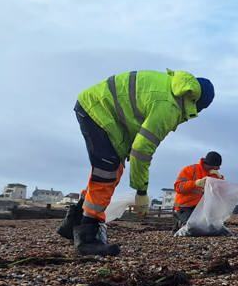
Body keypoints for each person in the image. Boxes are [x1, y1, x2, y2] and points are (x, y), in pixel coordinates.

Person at [56, 70, 215, 256]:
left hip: (105, 113)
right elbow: (141, 151)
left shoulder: (173, 87)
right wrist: (141, 192)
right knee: (106, 170)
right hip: (97, 109)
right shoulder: (169, 106)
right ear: (195, 102)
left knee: (111, 169)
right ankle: (87, 237)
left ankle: (73, 222)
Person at [173, 151, 224, 230]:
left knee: (211, 228)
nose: (218, 169)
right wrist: (195, 183)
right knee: (192, 228)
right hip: (184, 207)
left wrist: (220, 177)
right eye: (217, 167)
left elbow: (222, 189)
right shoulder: (190, 169)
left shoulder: (214, 174)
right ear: (210, 165)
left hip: (201, 208)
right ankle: (180, 223)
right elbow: (178, 187)